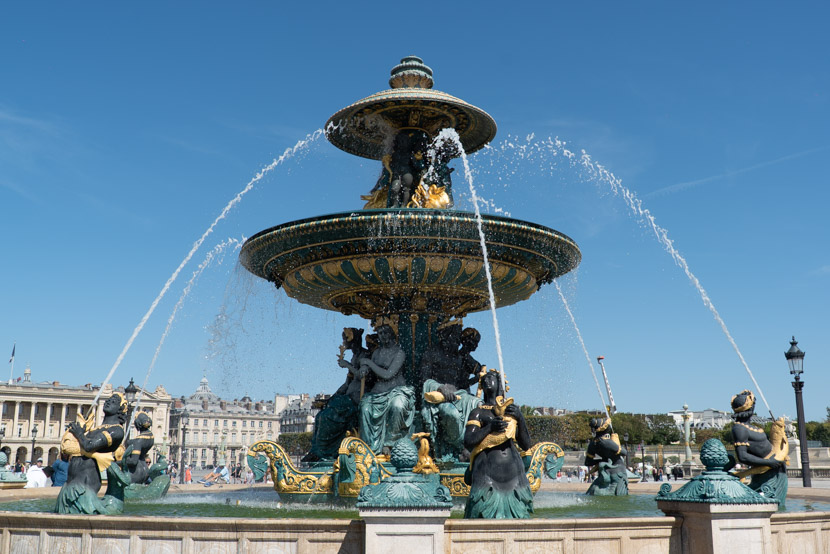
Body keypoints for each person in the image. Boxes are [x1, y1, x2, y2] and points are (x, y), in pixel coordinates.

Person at [463, 370, 533, 519]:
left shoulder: (511, 411)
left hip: (514, 477)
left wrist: (520, 418)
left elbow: (526, 445)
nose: (486, 381)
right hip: (486, 477)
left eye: (491, 378)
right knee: (481, 520)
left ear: (500, 384)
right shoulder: (478, 412)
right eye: (484, 379)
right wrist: (490, 428)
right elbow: (468, 441)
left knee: (519, 522)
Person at [304, 328, 373, 462]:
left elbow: (365, 377)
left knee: (327, 417)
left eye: (344, 339)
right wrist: (331, 398)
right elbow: (347, 383)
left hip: (358, 398)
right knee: (320, 416)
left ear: (352, 340)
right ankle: (316, 450)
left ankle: (324, 452)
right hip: (348, 397)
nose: (343, 343)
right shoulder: (355, 356)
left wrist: (347, 365)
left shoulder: (365, 355)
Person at [55, 392, 130, 514]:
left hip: (84, 490)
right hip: (69, 485)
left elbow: (89, 446)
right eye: (108, 399)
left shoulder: (116, 430)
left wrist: (79, 433)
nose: (108, 401)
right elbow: (68, 448)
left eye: (114, 401)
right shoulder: (95, 429)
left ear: (120, 409)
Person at [420, 322, 483, 460]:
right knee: (451, 414)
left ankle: (473, 444)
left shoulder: (458, 358)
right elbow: (424, 380)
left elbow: (461, 383)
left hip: (459, 395)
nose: (458, 342)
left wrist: (477, 379)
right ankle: (460, 445)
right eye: (454, 337)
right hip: (438, 396)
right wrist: (440, 387)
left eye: (458, 338)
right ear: (444, 337)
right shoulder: (431, 353)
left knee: (480, 406)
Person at [358, 324, 415, 455]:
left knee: (397, 406)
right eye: (380, 333)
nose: (383, 336)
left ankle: (390, 443)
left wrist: (368, 362)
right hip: (378, 391)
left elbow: (388, 374)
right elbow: (370, 372)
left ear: (392, 334)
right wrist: (364, 368)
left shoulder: (399, 353)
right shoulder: (376, 353)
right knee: (365, 407)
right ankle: (369, 445)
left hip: (397, 390)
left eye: (386, 332)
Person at [121, 412, 155, 485]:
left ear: (138, 423)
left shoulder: (138, 441)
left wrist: (121, 461)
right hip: (145, 470)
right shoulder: (151, 437)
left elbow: (133, 461)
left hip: (136, 472)